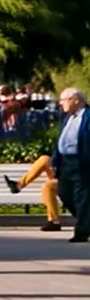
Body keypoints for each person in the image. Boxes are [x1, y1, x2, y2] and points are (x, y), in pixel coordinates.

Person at [54, 89, 90, 242]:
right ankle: (86, 221)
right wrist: (55, 160)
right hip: (66, 163)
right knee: (64, 192)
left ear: (75, 100)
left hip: (82, 162)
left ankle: (82, 231)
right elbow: (61, 140)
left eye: (64, 99)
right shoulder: (67, 118)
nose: (60, 103)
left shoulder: (87, 117)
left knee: (82, 197)